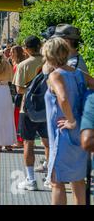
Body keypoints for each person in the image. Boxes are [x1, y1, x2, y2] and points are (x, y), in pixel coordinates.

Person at [42, 38, 89, 205]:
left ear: (49, 55)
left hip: (63, 133)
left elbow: (62, 97)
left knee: (57, 181)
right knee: (78, 180)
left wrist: (71, 121)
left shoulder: (55, 75)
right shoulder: (78, 73)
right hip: (80, 133)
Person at [12, 36, 49, 191]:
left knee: (28, 143)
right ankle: (50, 178)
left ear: (26, 49)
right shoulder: (49, 63)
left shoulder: (23, 65)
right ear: (40, 46)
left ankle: (30, 180)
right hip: (47, 108)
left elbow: (19, 89)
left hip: (27, 109)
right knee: (49, 142)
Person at [11, 46, 27, 148]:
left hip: (19, 94)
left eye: (12, 52)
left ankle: (20, 141)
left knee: (17, 117)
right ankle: (22, 140)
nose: (10, 54)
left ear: (17, 53)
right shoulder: (19, 64)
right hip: (19, 94)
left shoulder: (19, 65)